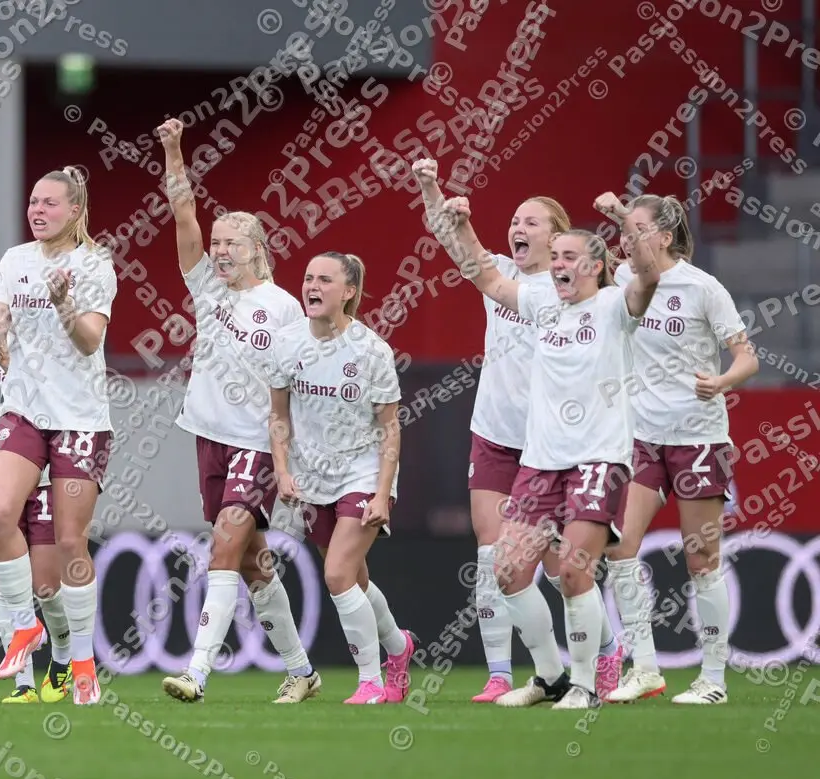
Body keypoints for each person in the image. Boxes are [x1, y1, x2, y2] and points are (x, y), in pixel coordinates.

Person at [424, 179, 660, 710]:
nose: (557, 264)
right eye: (554, 257)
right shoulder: (537, 299)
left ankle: (585, 683)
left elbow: (648, 272)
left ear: (595, 265)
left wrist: (623, 215)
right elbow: (484, 275)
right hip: (539, 460)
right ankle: (550, 676)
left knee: (573, 569)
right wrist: (453, 215)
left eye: (569, 255)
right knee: (506, 568)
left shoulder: (615, 307)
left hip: (597, 458)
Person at [153, 118, 326, 704]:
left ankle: (196, 670)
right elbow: (183, 214)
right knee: (253, 565)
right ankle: (302, 672)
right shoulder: (209, 289)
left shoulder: (282, 308)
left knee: (225, 544)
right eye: (218, 240)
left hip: (256, 442)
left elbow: (303, 382)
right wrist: (175, 150)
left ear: (259, 250)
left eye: (233, 242)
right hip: (207, 435)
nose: (220, 249)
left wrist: (292, 456)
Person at [595, 192, 758, 705]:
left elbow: (746, 358)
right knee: (620, 547)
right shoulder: (624, 280)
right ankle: (644, 667)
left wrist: (723, 381)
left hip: (698, 437)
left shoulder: (703, 287)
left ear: (664, 236)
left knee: (701, 557)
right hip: (641, 437)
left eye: (637, 228)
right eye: (625, 229)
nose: (626, 238)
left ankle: (713, 678)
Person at [0, 167, 116, 705]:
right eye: (34, 201)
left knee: (71, 542)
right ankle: (25, 625)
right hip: (26, 409)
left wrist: (63, 304)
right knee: (0, 513)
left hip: (79, 416)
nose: (38, 210)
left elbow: (88, 342)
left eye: (50, 204)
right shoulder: (17, 259)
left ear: (74, 212)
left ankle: (82, 663)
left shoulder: (95, 263)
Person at [265, 251, 415, 705]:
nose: (312, 286)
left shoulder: (371, 351)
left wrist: (384, 492)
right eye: (309, 278)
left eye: (325, 280)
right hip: (313, 478)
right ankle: (399, 647)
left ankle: (369, 681)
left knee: (335, 575)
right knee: (355, 580)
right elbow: (278, 415)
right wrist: (283, 470)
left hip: (361, 471)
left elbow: (390, 427)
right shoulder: (287, 343)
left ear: (348, 292)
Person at [0, 312, 72, 705]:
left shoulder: (46, 345)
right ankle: (24, 683)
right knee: (7, 582)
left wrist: (5, 361)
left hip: (41, 474)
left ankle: (64, 656)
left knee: (46, 584)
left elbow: (55, 399)